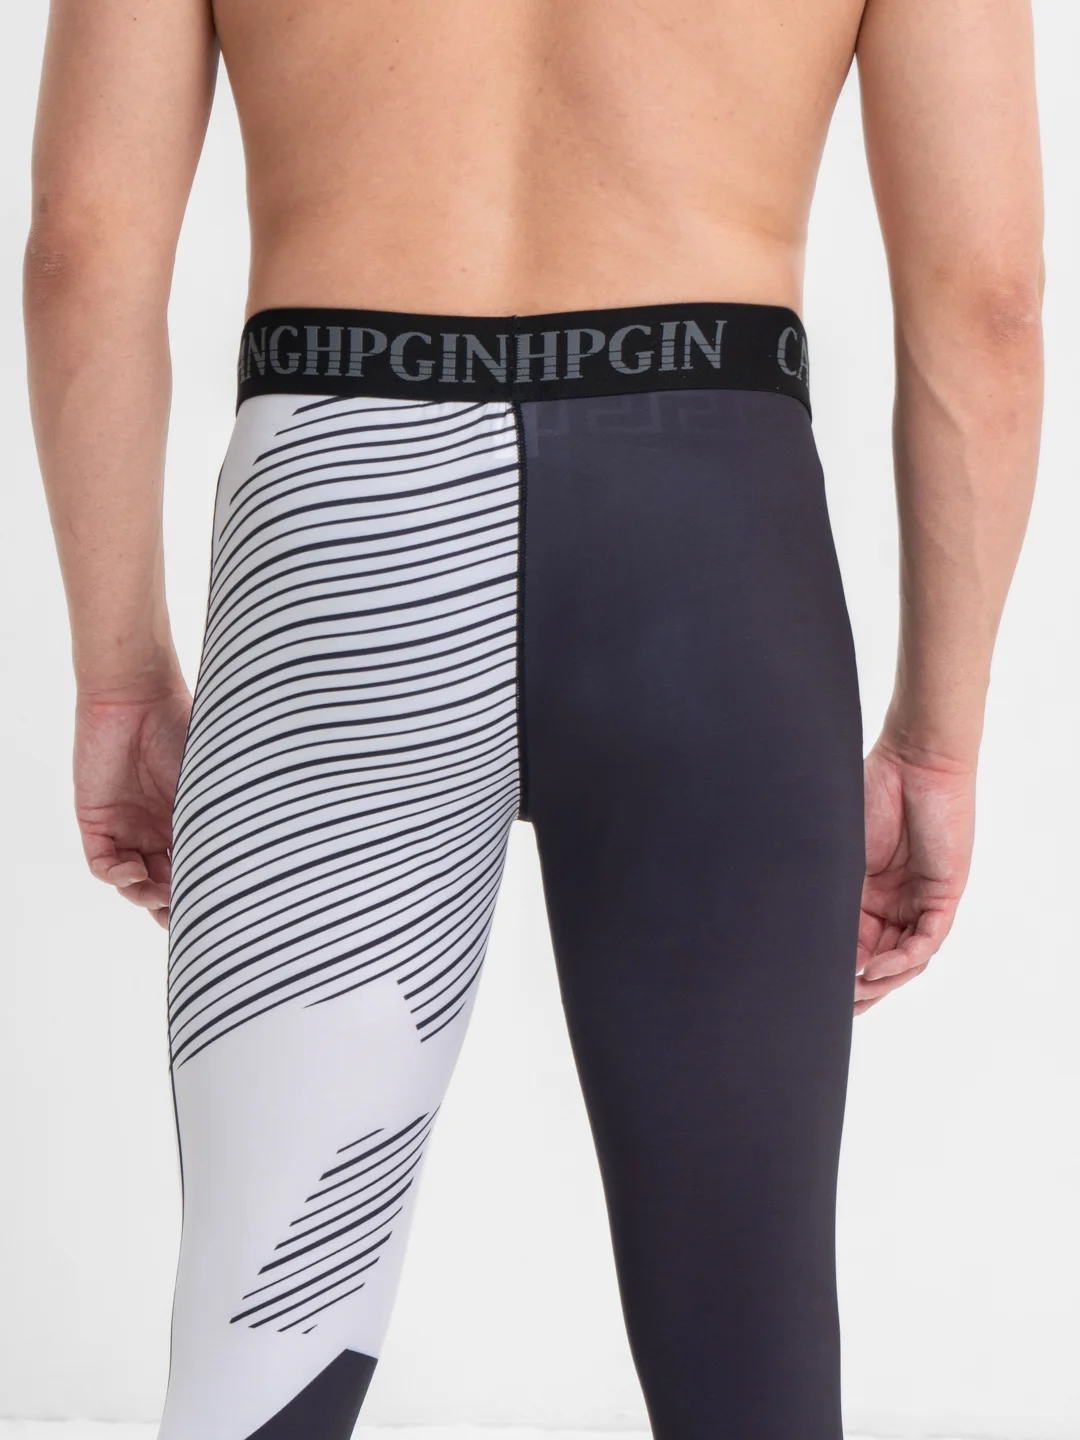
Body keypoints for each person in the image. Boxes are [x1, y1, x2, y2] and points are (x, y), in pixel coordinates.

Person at [23, 1, 1044, 1436]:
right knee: (748, 1362)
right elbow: (989, 301)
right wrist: (935, 740)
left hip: (344, 514)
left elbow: (81, 250)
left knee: (263, 1357)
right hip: (712, 541)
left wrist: (121, 675)